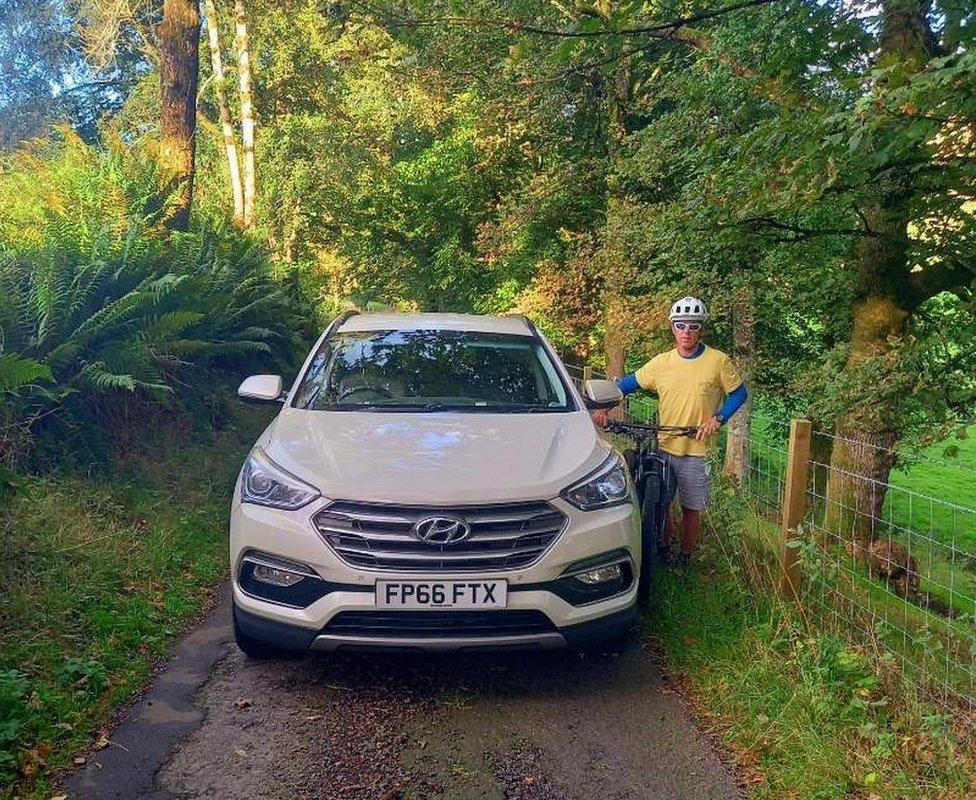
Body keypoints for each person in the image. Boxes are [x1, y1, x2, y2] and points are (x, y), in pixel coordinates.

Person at [591, 296, 748, 567]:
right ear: (672, 328)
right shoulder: (662, 362)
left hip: (696, 449)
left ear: (701, 329)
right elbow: (628, 384)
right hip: (664, 444)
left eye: (693, 326)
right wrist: (604, 408)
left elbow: (739, 394)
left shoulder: (718, 361)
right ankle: (662, 546)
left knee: (690, 506)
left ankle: (685, 556)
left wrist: (718, 419)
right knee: (661, 501)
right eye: (680, 325)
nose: (686, 331)